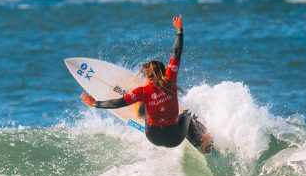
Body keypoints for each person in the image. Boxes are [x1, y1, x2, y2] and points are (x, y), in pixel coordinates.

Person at [80, 15, 213, 154]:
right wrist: (179, 30)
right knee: (186, 117)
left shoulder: (142, 91)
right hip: (174, 138)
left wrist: (95, 104)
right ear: (163, 73)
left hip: (152, 136)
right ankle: (201, 144)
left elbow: (118, 102)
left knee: (145, 104)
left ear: (148, 76)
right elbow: (176, 52)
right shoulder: (170, 79)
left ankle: (139, 112)